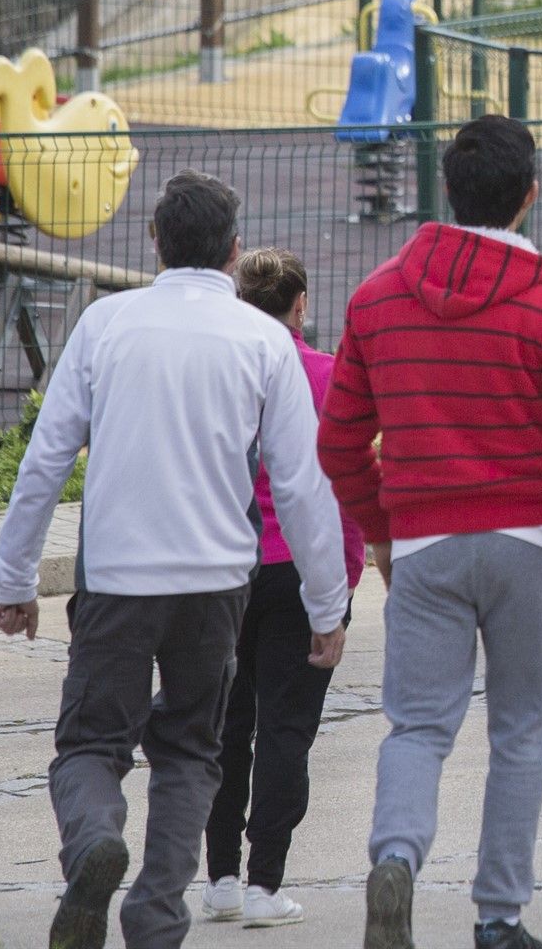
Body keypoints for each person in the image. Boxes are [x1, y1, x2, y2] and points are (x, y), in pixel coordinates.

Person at [0, 170, 351, 949]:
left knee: (90, 744)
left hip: (117, 578)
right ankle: (156, 916)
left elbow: (46, 459)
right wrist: (328, 607)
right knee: (192, 750)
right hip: (219, 582)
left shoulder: (105, 326)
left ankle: (94, 843)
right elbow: (301, 486)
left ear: (154, 242)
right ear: (234, 249)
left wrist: (13, 579)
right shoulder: (264, 342)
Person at [317, 114, 542, 949]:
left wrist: (384, 532)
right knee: (521, 729)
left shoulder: (377, 298)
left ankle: (396, 856)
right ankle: (499, 916)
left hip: (425, 546)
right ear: (531, 196)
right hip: (529, 541)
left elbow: (338, 442)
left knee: (417, 727)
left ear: (446, 191)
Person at [201, 249, 367, 929]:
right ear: (301, 306)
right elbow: (345, 486)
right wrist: (346, 577)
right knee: (286, 731)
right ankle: (268, 880)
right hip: (301, 569)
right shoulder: (330, 377)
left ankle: (218, 878)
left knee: (223, 727)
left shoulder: (220, 373)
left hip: (225, 568)